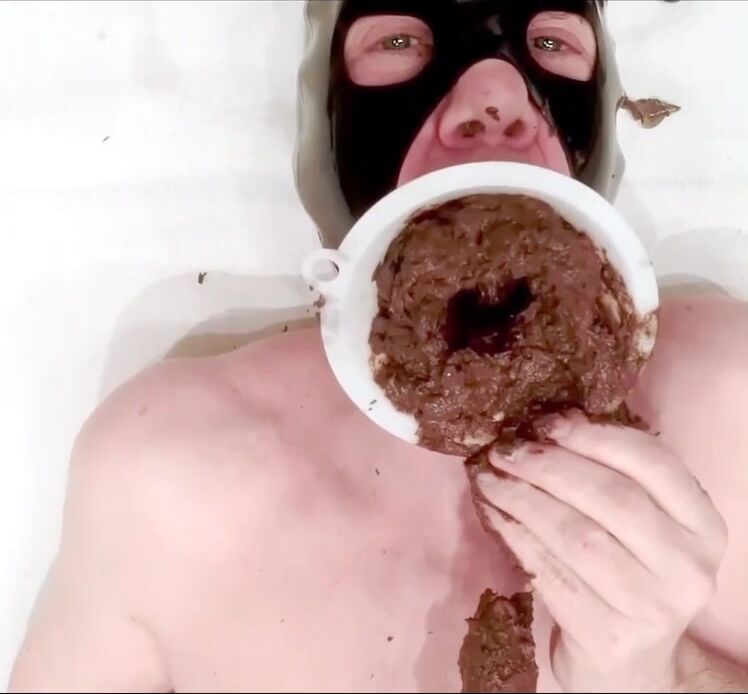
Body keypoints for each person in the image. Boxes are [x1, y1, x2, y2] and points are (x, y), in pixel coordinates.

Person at [10, 1, 748, 691]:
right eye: (400, 40)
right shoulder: (171, 478)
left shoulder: (731, 402)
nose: (494, 98)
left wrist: (661, 673)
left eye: (550, 41)